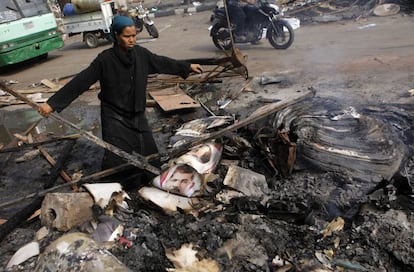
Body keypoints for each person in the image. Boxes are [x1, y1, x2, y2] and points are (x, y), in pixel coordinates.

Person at [38, 15, 203, 186]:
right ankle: (118, 188)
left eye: (133, 35)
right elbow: (81, 81)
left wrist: (187, 66)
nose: (132, 40)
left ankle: (149, 184)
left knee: (150, 154)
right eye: (127, 36)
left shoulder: (141, 54)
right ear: (116, 35)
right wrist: (52, 104)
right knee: (118, 156)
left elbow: (162, 62)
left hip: (137, 113)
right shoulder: (105, 59)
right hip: (114, 115)